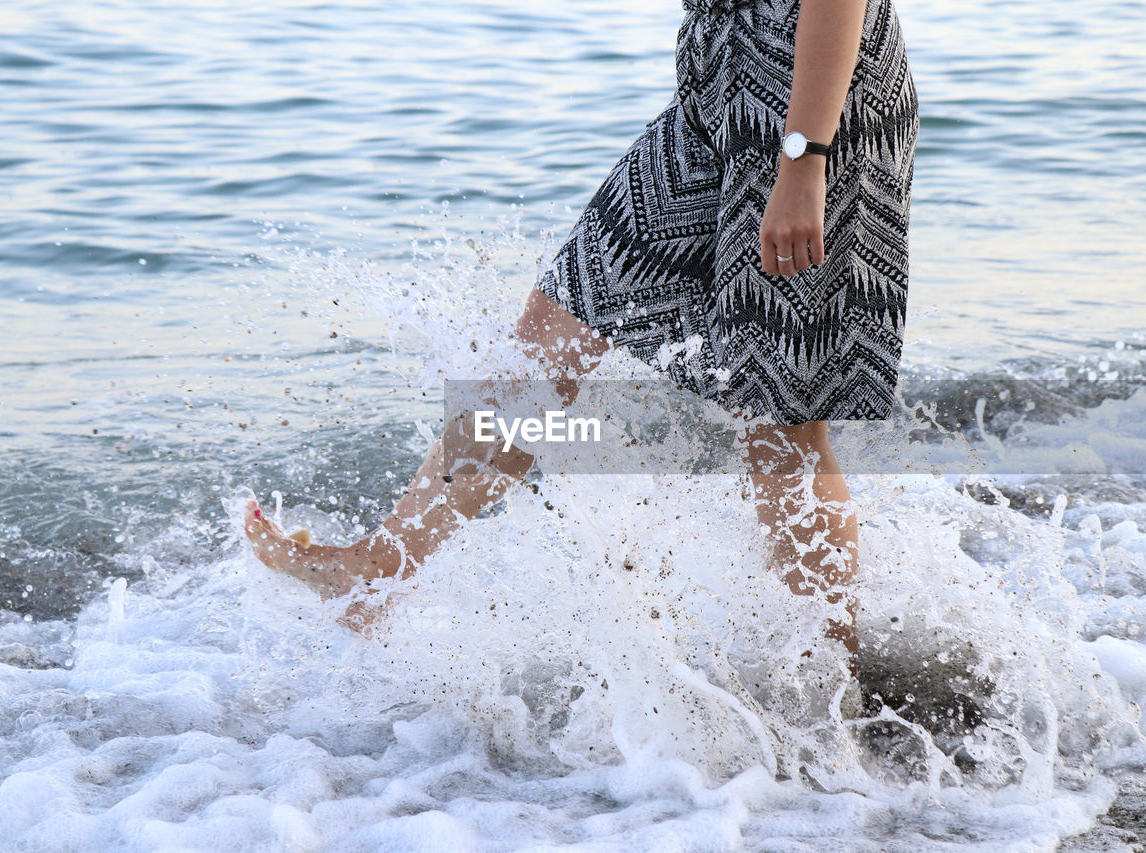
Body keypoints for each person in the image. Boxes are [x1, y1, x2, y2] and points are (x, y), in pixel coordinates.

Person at [245, 0, 919, 684]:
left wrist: (804, 160)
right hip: (713, 93)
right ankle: (375, 574)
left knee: (782, 426)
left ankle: (834, 690)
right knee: (542, 349)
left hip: (813, 106)